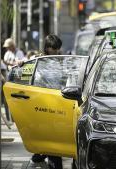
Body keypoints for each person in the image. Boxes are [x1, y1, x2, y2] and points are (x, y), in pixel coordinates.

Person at [31, 34, 63, 169]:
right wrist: (21, 63)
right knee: (51, 134)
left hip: (58, 100)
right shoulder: (39, 60)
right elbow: (25, 69)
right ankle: (51, 161)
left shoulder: (61, 60)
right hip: (43, 101)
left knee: (54, 134)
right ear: (47, 47)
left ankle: (41, 156)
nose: (56, 51)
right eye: (53, 48)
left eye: (57, 49)